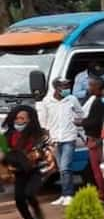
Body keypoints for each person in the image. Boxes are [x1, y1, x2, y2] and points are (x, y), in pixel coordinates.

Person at [76, 77, 104, 210]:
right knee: (97, 171)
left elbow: (96, 122)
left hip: (98, 140)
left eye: (91, 85)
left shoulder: (99, 103)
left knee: (102, 171)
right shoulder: (98, 102)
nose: (89, 88)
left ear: (97, 87)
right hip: (99, 139)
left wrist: (81, 122)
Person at [2, 106, 50, 219]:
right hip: (19, 172)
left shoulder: (39, 135)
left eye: (22, 118)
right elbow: (4, 152)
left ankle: (38, 215)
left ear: (29, 120)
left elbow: (42, 152)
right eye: (17, 118)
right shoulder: (8, 136)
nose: (18, 121)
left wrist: (31, 157)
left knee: (29, 193)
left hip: (34, 171)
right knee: (18, 198)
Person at [37, 78, 83, 206]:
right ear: (56, 88)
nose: (67, 88)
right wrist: (47, 137)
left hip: (69, 138)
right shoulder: (47, 102)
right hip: (55, 139)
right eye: (64, 86)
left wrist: (75, 121)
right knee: (61, 168)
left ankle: (69, 194)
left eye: (68, 85)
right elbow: (43, 122)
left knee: (65, 167)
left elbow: (80, 113)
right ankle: (64, 195)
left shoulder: (72, 99)